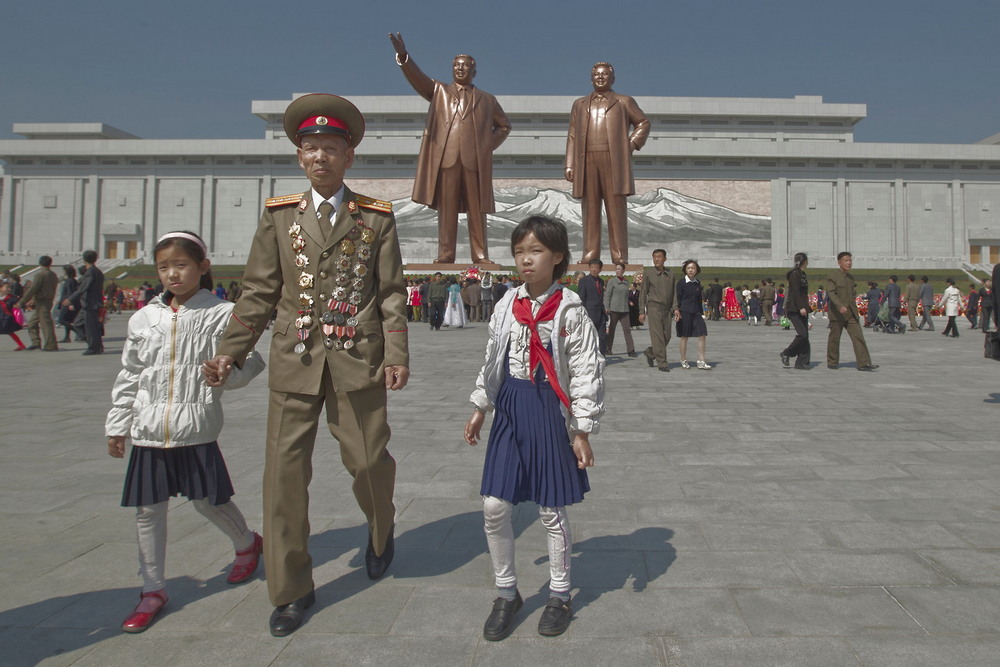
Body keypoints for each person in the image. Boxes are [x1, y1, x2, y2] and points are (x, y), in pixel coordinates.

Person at [203, 94, 410, 637]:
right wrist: (229, 351)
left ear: (349, 156)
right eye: (311, 148)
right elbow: (257, 293)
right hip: (293, 361)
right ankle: (292, 588)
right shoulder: (278, 218)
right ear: (300, 157)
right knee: (283, 479)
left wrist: (396, 353)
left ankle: (380, 529)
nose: (321, 156)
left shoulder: (375, 218)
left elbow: (390, 292)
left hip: (356, 357)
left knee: (368, 462)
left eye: (331, 148)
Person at [106, 231, 266, 634]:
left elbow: (252, 361)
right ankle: (152, 590)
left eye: (181, 265)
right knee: (148, 511)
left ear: (202, 267)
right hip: (148, 428)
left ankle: (246, 543)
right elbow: (131, 373)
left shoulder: (222, 313)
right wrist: (118, 424)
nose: (173, 275)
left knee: (207, 502)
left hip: (193, 427)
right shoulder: (144, 317)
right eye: (164, 267)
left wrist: (227, 374)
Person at [464, 215, 603, 640]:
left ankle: (559, 594)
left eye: (535, 251)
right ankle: (507, 591)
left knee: (549, 508)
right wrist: (480, 404)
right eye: (520, 251)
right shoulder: (508, 303)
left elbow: (585, 369)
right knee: (493, 506)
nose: (526, 260)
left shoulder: (570, 309)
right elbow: (494, 356)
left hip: (548, 409)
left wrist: (580, 430)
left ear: (557, 256)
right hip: (510, 407)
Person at [389, 32, 511, 264]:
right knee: (447, 210)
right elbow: (418, 78)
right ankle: (446, 254)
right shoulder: (439, 91)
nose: (460, 69)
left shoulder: (487, 99)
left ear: (474, 72)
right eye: (456, 65)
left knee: (477, 211)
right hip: (447, 158)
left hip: (473, 160)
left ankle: (480, 254)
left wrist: (485, 147)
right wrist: (404, 56)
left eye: (465, 66)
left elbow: (504, 126)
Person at [565, 62, 650, 264]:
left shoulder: (623, 101)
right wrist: (570, 164)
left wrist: (630, 145)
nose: (600, 77)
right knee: (590, 209)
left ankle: (619, 255)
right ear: (591, 78)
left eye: (604, 74)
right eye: (596, 74)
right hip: (587, 160)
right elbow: (572, 135)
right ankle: (590, 253)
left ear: (613, 78)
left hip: (613, 160)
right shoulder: (580, 104)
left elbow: (643, 123)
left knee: (616, 210)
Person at [825, 252, 878, 370]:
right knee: (834, 338)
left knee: (858, 337)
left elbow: (852, 295)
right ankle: (832, 361)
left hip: (851, 314)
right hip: (837, 314)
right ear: (839, 262)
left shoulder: (850, 278)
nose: (849, 263)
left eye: (850, 260)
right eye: (846, 260)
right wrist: (839, 306)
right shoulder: (833, 276)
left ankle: (864, 363)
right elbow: (831, 293)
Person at [639, 249, 676, 371]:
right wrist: (641, 311)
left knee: (667, 336)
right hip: (654, 308)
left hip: (667, 310)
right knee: (658, 337)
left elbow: (674, 293)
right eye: (654, 257)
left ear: (665, 259)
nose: (656, 259)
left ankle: (650, 352)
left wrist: (675, 308)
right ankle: (662, 363)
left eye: (659, 257)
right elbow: (643, 292)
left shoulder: (671, 273)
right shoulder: (649, 273)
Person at [62, 249, 104, 355]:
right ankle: (96, 345)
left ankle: (93, 347)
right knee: (80, 324)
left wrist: (70, 299)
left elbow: (83, 288)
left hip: (91, 303)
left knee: (90, 327)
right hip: (92, 302)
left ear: (84, 260)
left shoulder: (90, 272)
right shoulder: (98, 271)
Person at [674, 260, 711, 369]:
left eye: (693, 268)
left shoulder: (697, 283)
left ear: (696, 270)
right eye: (688, 268)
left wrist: (702, 313)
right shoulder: (681, 283)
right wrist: (676, 310)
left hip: (696, 312)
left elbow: (699, 299)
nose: (690, 270)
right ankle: (683, 359)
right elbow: (677, 298)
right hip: (684, 312)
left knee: (702, 334)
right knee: (684, 336)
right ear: (685, 270)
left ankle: (701, 360)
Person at [20, 255, 59, 351]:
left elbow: (33, 289)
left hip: (42, 302)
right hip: (47, 301)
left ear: (40, 263)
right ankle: (36, 342)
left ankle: (51, 345)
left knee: (46, 324)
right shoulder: (53, 274)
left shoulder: (40, 275)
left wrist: (23, 301)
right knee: (32, 323)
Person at [780, 252, 811, 370]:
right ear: (805, 261)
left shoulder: (802, 274)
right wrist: (801, 307)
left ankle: (802, 362)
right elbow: (796, 293)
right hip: (794, 308)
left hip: (802, 307)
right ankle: (787, 353)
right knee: (802, 334)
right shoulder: (795, 274)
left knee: (805, 336)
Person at [603, 262, 635, 356]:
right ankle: (608, 349)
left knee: (627, 330)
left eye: (619, 269)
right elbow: (607, 295)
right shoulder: (612, 281)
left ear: (623, 270)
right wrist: (607, 307)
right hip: (614, 309)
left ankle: (631, 350)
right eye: (616, 269)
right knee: (611, 330)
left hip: (624, 310)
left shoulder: (626, 282)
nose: (617, 271)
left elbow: (626, 295)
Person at [577, 259, 608, 355]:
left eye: (596, 267)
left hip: (601, 313)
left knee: (602, 336)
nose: (594, 269)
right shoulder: (584, 281)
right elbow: (581, 298)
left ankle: (602, 356)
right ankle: (589, 355)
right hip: (589, 313)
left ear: (600, 269)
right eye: (592, 267)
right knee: (589, 337)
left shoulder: (601, 281)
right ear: (589, 268)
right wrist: (583, 314)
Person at [57, 265, 81, 342]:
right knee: (67, 320)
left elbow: (70, 293)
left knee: (62, 320)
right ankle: (67, 337)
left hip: (67, 303)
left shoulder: (70, 281)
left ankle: (80, 333)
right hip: (66, 302)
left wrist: (70, 304)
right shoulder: (71, 280)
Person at [0, 281, 26, 350]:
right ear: (0, 288)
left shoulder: (12, 298)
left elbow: (20, 303)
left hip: (7, 318)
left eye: (10, 288)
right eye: (7, 288)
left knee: (10, 332)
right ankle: (21, 345)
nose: (9, 289)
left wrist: (18, 305)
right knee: (10, 332)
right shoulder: (1, 298)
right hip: (1, 318)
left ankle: (21, 345)